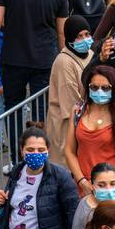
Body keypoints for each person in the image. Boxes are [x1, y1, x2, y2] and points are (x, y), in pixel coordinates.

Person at [0, 124, 80, 229]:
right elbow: (13, 204)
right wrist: (2, 201)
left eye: (41, 150)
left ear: (48, 150)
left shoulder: (61, 177)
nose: (36, 154)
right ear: (22, 150)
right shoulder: (17, 172)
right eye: (31, 150)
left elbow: (72, 216)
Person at [66, 89, 115, 224]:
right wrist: (83, 182)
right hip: (83, 189)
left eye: (105, 88)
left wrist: (102, 184)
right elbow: (69, 151)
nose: (99, 91)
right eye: (94, 87)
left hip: (113, 191)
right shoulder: (78, 111)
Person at [45, 14, 94, 161]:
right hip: (66, 128)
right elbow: (72, 105)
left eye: (87, 34)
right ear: (70, 39)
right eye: (79, 36)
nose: (85, 39)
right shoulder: (64, 62)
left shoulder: (90, 54)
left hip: (85, 123)